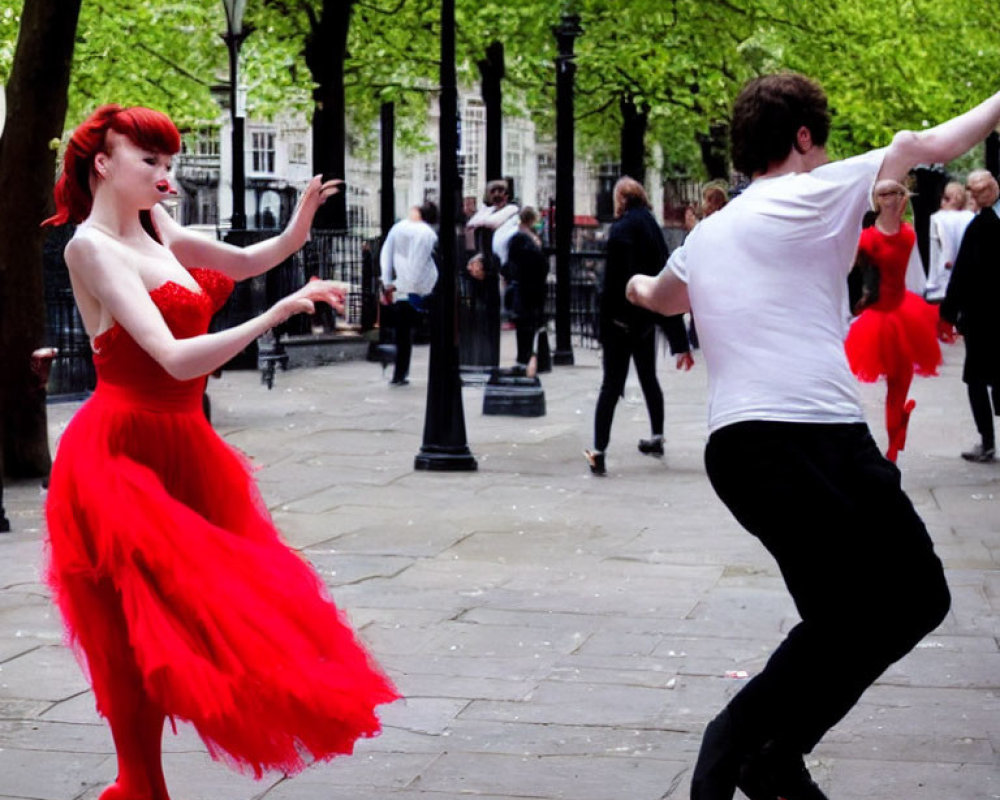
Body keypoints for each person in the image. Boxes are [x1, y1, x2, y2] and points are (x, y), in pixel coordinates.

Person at [629, 73, 1000, 800]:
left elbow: (659, 295)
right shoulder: (819, 188)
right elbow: (927, 144)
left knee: (839, 619)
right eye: (821, 137)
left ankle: (775, 758)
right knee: (916, 593)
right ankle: (737, 745)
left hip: (736, 452)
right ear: (803, 139)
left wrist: (633, 284)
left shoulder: (707, 235)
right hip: (814, 438)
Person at [42, 105, 400, 800]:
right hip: (119, 452)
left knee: (228, 611)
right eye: (149, 160)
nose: (164, 175)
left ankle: (137, 783)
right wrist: (272, 314)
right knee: (130, 631)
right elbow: (174, 359)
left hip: (186, 444)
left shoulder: (159, 229)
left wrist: (298, 227)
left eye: (169, 163)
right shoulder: (89, 248)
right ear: (103, 165)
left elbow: (244, 261)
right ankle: (140, 783)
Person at [584, 177, 692, 476]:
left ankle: (598, 450)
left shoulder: (620, 230)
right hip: (645, 319)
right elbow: (664, 276)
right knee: (648, 378)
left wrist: (601, 326)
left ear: (621, 199)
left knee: (611, 385)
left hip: (619, 321)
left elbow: (613, 283)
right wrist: (678, 340)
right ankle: (656, 436)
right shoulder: (652, 227)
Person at [843, 179, 941, 461]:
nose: (889, 199)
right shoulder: (868, 238)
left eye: (894, 193)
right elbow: (847, 269)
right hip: (878, 317)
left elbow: (911, 268)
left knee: (901, 384)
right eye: (882, 194)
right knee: (891, 390)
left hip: (905, 312)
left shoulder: (909, 234)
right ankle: (893, 448)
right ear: (876, 199)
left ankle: (895, 443)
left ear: (902, 196)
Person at [939, 168, 1000, 463]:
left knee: (978, 378)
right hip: (982, 318)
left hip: (983, 317)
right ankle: (987, 441)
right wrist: (949, 312)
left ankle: (987, 442)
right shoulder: (978, 225)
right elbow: (962, 272)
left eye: (979, 192)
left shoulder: (981, 225)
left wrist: (949, 313)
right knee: (977, 378)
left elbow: (963, 273)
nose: (976, 198)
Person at [379, 201, 439, 386]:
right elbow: (419, 262)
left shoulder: (398, 228)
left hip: (401, 289)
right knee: (424, 331)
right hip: (420, 288)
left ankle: (399, 374)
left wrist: (388, 283)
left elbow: (386, 256)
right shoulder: (427, 233)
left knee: (402, 334)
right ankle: (408, 373)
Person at [502, 206, 549, 376]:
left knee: (526, 326)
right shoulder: (523, 239)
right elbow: (535, 263)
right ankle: (524, 359)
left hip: (526, 289)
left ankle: (525, 359)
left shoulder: (522, 238)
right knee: (526, 326)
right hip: (527, 289)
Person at [925, 181, 975, 302]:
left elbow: (934, 254)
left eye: (945, 198)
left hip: (943, 281)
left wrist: (932, 283)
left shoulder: (937, 218)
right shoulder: (972, 217)